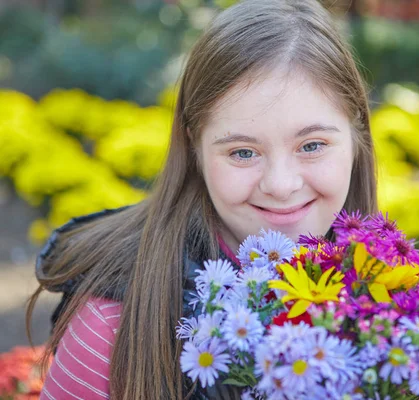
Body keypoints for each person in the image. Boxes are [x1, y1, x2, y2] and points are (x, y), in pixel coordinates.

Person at [26, 0, 377, 398]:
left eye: (312, 145)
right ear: (194, 146)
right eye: (243, 152)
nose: (281, 185)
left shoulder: (392, 300)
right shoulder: (113, 325)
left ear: (356, 137)